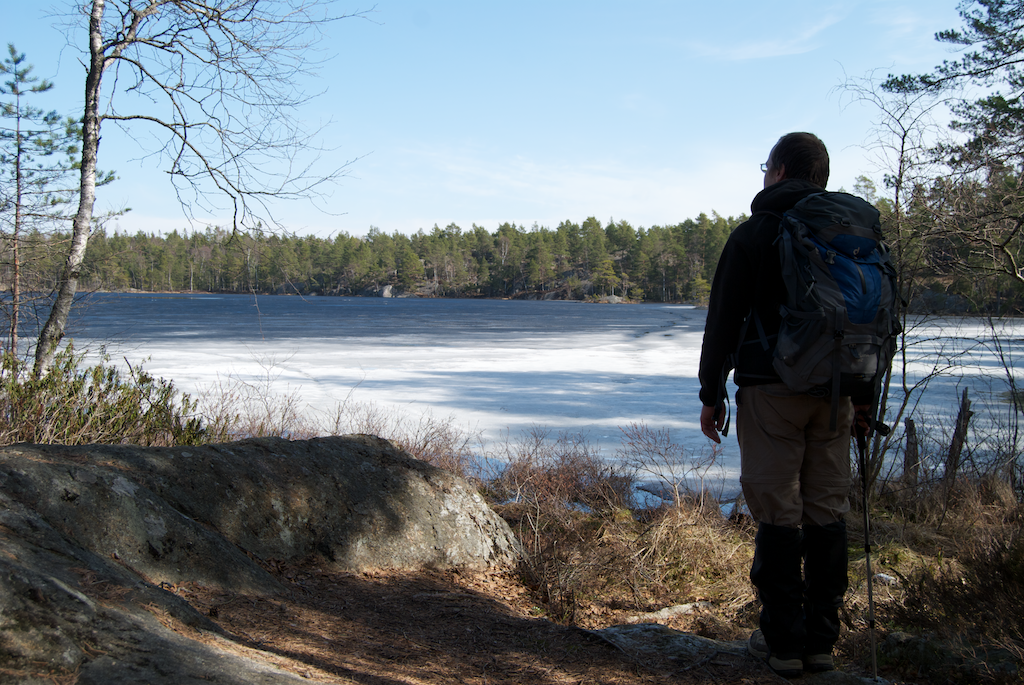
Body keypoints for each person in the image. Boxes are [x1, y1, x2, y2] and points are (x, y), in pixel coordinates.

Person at [698, 132, 868, 677]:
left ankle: (783, 646)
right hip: (837, 393)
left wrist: (711, 392)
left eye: (766, 166)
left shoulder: (758, 232)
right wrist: (863, 397)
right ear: (820, 175)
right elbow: (871, 323)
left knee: (778, 512)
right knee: (825, 510)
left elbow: (723, 317)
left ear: (780, 170)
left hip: (772, 390)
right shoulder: (853, 236)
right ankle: (821, 642)